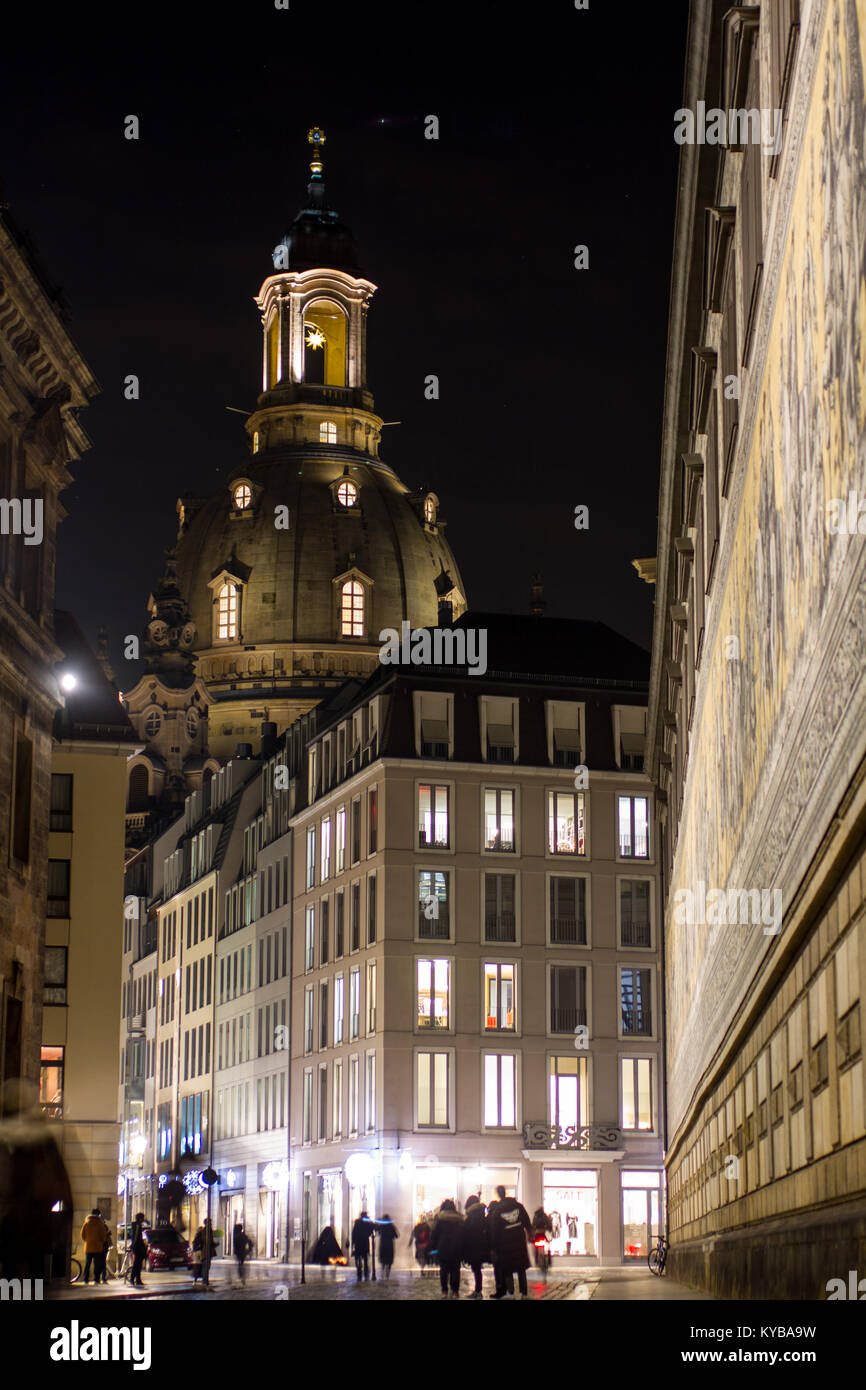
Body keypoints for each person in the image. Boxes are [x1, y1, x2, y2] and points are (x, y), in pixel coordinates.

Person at [489, 1185, 532, 1299]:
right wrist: (530, 1233)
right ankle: (524, 1293)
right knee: (521, 1269)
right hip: (519, 1241)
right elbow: (527, 1221)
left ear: (499, 1194)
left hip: (505, 1244)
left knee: (507, 1268)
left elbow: (495, 1230)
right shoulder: (518, 1206)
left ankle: (511, 1292)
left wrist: (494, 1247)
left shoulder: (498, 1210)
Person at [429, 1199, 464, 1298]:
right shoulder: (459, 1219)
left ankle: (444, 1291)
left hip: (443, 1248)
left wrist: (432, 1247)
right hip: (456, 1248)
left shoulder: (440, 1219)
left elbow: (434, 1235)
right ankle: (455, 1291)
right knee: (455, 1270)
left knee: (443, 1270)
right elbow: (464, 1235)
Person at [462, 1194, 491, 1299]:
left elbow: (467, 1232)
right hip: (482, 1246)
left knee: (476, 1270)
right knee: (477, 1269)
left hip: (473, 1247)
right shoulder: (482, 1215)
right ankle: (478, 1291)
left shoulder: (471, 1216)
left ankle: (478, 1291)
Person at [80, 1209, 110, 1286]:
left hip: (88, 1246)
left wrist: (87, 1240)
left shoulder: (86, 1223)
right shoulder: (100, 1223)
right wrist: (101, 1242)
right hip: (97, 1247)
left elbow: (82, 1234)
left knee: (87, 1263)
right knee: (97, 1264)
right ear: (98, 1215)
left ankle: (85, 1279)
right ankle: (96, 1279)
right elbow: (103, 1236)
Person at [351, 1210, 374, 1281]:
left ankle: (359, 1272)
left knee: (358, 1259)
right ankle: (365, 1273)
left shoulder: (357, 1222)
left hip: (358, 1243)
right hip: (364, 1242)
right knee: (365, 1258)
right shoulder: (367, 1223)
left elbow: (353, 1233)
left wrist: (353, 1243)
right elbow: (371, 1231)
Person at [376, 1214, 399, 1278]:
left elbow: (376, 1230)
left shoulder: (381, 1226)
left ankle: (382, 1273)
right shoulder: (392, 1226)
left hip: (383, 1244)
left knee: (383, 1260)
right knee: (389, 1261)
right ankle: (387, 1275)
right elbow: (397, 1236)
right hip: (389, 1245)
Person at [130, 1212, 148, 1287]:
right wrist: (134, 1245)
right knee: (137, 1264)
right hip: (138, 1247)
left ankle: (137, 1279)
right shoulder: (137, 1226)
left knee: (138, 1264)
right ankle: (134, 1279)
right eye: (142, 1218)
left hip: (137, 1247)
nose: (143, 1220)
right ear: (140, 1219)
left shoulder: (136, 1225)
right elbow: (136, 1237)